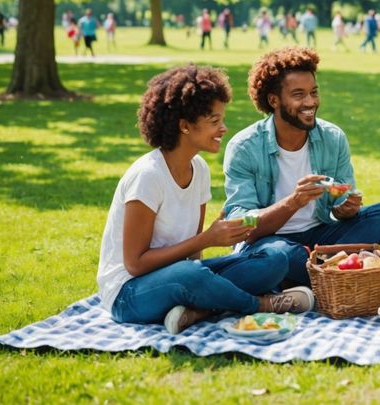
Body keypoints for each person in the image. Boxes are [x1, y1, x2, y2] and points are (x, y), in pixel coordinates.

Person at [96, 65, 313, 335]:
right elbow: (135, 264)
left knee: (274, 259)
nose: (223, 128)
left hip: (180, 277)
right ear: (185, 126)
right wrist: (208, 239)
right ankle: (261, 304)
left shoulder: (198, 169)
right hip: (128, 294)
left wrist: (223, 234)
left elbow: (193, 256)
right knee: (190, 276)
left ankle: (199, 309)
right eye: (214, 121)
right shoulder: (148, 176)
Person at [223, 48, 380, 287]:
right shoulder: (244, 147)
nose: (310, 102)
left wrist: (344, 209)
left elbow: (342, 199)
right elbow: (241, 223)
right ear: (274, 100)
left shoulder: (332, 137)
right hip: (272, 241)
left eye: (314, 93)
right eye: (299, 95)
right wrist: (293, 202)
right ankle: (331, 270)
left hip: (321, 237)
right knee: (279, 256)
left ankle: (309, 272)